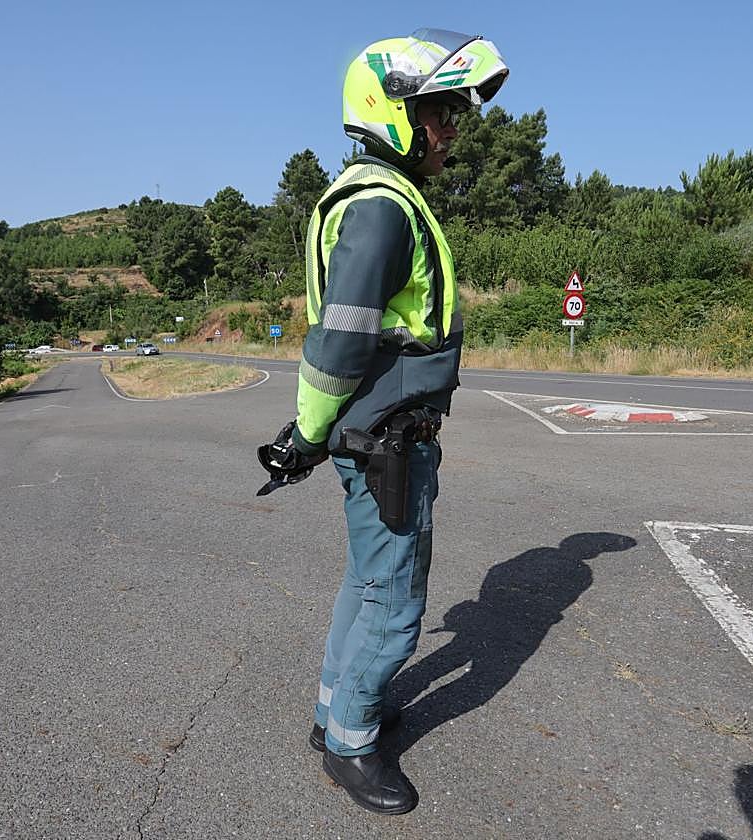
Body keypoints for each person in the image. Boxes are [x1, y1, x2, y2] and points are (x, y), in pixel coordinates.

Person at [257, 29, 509, 815]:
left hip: (374, 435)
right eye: (440, 112)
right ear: (393, 110)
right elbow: (340, 339)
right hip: (386, 441)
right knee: (396, 607)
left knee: (366, 585)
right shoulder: (382, 209)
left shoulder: (376, 197)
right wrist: (303, 432)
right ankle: (352, 744)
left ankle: (335, 711)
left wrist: (312, 437)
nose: (452, 130)